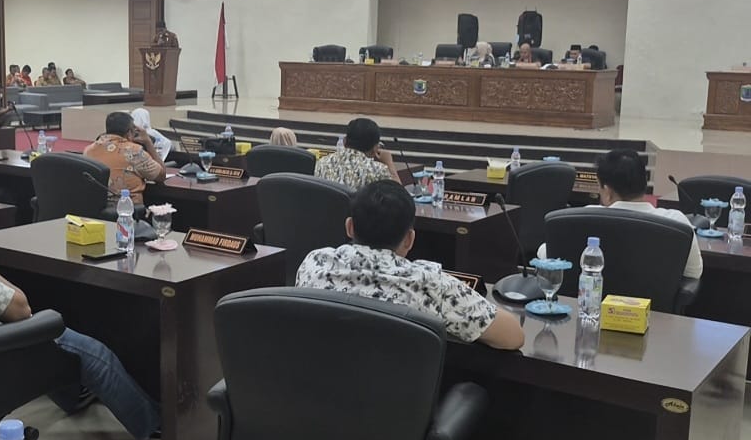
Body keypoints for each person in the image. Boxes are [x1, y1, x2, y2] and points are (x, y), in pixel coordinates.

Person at [0, 184, 160, 440]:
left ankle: (73, 398)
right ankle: (152, 424)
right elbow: (21, 310)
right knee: (96, 354)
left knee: (64, 354)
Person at [297, 180, 525, 349]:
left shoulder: (315, 263)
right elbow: (513, 336)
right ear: (409, 239)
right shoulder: (429, 282)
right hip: (391, 406)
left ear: (349, 227)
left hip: (314, 401)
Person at [537, 149, 703, 279]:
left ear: (607, 192)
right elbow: (694, 273)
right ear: (644, 184)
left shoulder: (579, 219)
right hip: (658, 318)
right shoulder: (677, 222)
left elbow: (547, 254)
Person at [83, 111, 166, 204]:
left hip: (94, 207)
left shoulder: (89, 150)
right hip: (127, 210)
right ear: (130, 132)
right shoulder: (134, 151)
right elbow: (161, 176)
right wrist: (148, 142)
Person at [314, 118, 399, 191]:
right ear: (375, 148)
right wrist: (389, 164)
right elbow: (400, 201)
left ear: (344, 141)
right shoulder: (378, 170)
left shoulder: (321, 163)